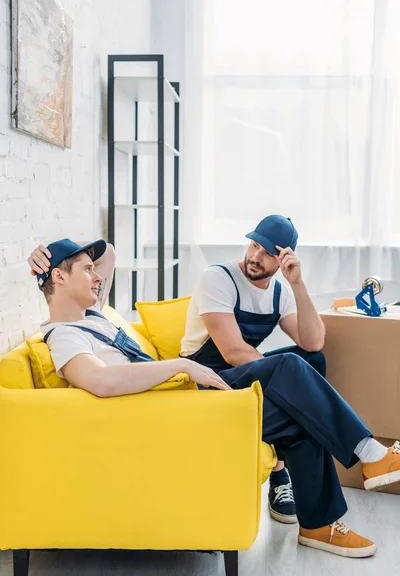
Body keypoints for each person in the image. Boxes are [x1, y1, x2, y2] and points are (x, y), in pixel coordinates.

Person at [28, 237, 400, 559]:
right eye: (86, 270)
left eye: (95, 271)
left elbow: (106, 254)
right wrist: (181, 366)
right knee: (288, 366)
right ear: (60, 278)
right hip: (170, 414)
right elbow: (101, 381)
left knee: (299, 405)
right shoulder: (64, 335)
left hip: (179, 399)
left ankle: (318, 524)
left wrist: (48, 257)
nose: (97, 276)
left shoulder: (93, 314)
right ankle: (370, 455)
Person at [180, 215, 326, 524]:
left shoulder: (280, 293)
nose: (256, 257)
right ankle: (281, 475)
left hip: (244, 373)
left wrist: (297, 284)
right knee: (292, 386)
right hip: (205, 379)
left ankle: (284, 477)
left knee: (313, 361)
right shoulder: (219, 278)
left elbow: (313, 342)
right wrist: (282, 382)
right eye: (254, 245)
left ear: (283, 259)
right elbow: (233, 352)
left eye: (268, 252)